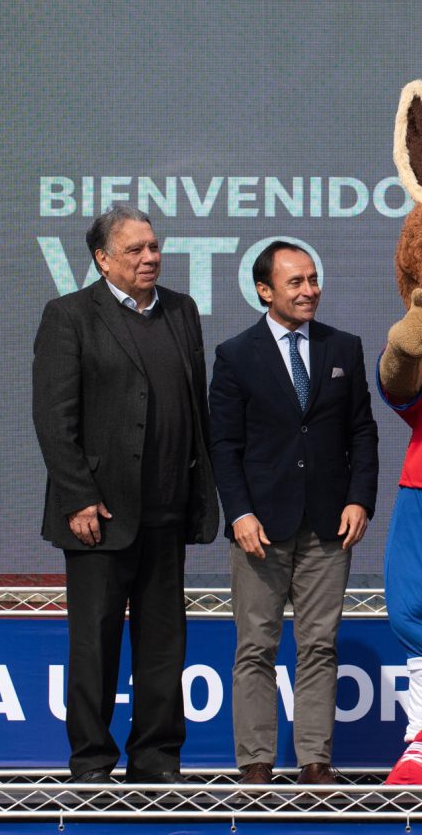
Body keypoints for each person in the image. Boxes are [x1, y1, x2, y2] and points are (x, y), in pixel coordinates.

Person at [32, 203, 220, 784]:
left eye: (154, 246)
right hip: (100, 514)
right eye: (135, 249)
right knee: (95, 645)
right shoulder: (70, 315)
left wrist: (199, 491)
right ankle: (91, 763)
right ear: (102, 259)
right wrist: (77, 498)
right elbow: (53, 418)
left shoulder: (182, 311)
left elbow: (194, 408)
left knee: (164, 647)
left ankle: (157, 761)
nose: (150, 257)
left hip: (167, 511)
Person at [209, 241, 379, 786]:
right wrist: (239, 513)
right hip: (260, 528)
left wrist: (360, 498)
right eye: (296, 282)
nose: (309, 291)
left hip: (329, 524)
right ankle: (255, 764)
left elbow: (362, 431)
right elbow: (224, 445)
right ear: (265, 291)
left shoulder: (343, 347)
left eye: (313, 279)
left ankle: (315, 762)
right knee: (255, 647)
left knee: (320, 646)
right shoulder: (236, 355)